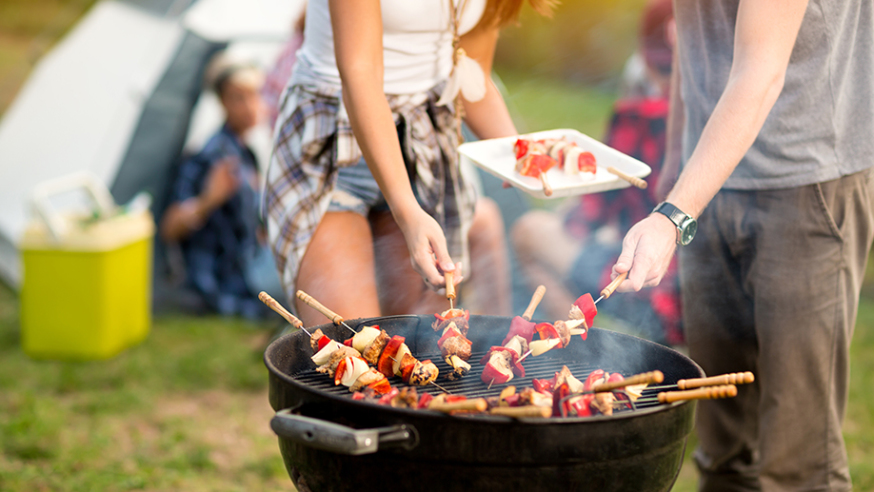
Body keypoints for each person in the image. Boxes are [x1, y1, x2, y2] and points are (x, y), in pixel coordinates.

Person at [612, 1, 874, 490]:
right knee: (722, 444)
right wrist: (676, 161)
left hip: (805, 180)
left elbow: (759, 75)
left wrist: (673, 213)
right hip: (708, 183)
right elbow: (693, 38)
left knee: (800, 462)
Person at [266, 0, 554, 326]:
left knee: (417, 344)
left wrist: (517, 151)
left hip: (424, 149)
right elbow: (360, 74)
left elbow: (472, 73)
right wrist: (409, 211)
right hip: (331, 142)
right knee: (351, 349)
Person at [511, 0, 682, 345]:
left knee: (529, 231)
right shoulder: (725, 125)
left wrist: (567, 211)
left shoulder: (637, 116)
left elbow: (586, 219)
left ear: (645, 56)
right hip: (712, 295)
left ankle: (581, 348)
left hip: (653, 292)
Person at [160, 53, 283, 319]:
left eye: (256, 95)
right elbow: (169, 228)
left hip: (250, 261)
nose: (251, 105)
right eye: (239, 98)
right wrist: (208, 199)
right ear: (222, 102)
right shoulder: (210, 154)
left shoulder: (245, 150)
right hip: (225, 277)